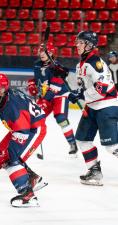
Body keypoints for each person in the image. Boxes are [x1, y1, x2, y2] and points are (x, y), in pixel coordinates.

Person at [0, 73, 47, 207]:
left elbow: (23, 131)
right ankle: (33, 179)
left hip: (33, 130)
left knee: (9, 158)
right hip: (22, 129)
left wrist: (8, 155)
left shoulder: (12, 106)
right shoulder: (2, 97)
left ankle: (28, 195)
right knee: (0, 152)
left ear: (1, 89)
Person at [68, 31, 118, 186]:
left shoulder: (96, 62)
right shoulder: (80, 64)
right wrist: (63, 74)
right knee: (82, 140)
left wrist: (81, 94)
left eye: (80, 42)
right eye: (77, 42)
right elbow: (83, 85)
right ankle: (94, 172)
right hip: (92, 107)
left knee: (111, 146)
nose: (77, 45)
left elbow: (101, 89)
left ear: (89, 45)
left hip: (106, 105)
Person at [27, 42, 78, 157]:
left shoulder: (56, 66)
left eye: (44, 51)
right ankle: (28, 145)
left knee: (61, 118)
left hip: (59, 95)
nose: (42, 54)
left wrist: (45, 101)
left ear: (51, 53)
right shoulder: (37, 65)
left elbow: (56, 86)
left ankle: (72, 143)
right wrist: (32, 85)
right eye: (40, 51)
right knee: (34, 118)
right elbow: (37, 80)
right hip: (45, 96)